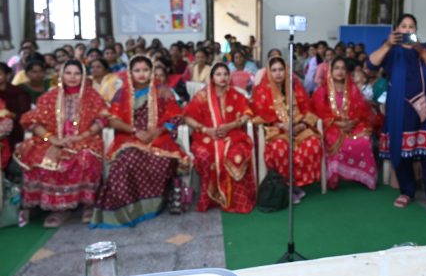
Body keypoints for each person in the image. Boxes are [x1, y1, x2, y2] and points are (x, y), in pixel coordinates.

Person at [367, 13, 426, 214]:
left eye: (411, 26)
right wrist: (387, 44)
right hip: (400, 108)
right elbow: (371, 64)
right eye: (403, 26)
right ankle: (406, 191)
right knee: (401, 150)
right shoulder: (391, 49)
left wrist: (420, 50)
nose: (407, 29)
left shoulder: (424, 48)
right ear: (396, 29)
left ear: (416, 30)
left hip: (425, 109)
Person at [91, 56, 189, 228]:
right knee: (126, 160)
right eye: (137, 70)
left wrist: (158, 130)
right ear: (130, 73)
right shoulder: (122, 93)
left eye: (145, 70)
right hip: (130, 136)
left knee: (161, 159)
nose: (142, 74)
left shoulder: (162, 91)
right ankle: (126, 210)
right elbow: (112, 120)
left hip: (159, 136)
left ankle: (155, 204)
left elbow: (175, 116)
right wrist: (135, 131)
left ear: (151, 72)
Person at [13, 60, 107, 227]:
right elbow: (32, 122)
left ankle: (88, 205)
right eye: (68, 73)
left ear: (83, 76)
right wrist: (52, 139)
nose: (72, 77)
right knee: (41, 158)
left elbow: (103, 119)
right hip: (53, 139)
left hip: (84, 139)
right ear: (61, 75)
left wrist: (82, 136)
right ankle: (59, 209)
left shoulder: (92, 96)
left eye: (77, 73)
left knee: (86, 157)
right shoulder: (50, 96)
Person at [184, 63, 255, 213]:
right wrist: (206, 130)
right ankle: (212, 199)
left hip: (233, 135)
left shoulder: (236, 95)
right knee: (206, 156)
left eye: (225, 74)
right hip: (206, 137)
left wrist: (232, 125)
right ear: (212, 77)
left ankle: (235, 200)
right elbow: (187, 117)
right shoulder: (202, 96)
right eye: (218, 74)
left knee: (236, 155)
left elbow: (248, 113)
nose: (222, 77)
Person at [251, 57, 322, 194]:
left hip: (299, 129)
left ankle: (299, 182)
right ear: (269, 72)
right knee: (280, 148)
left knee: (314, 142)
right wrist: (281, 125)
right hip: (276, 132)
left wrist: (301, 125)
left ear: (286, 71)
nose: (278, 73)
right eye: (274, 70)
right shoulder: (262, 91)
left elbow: (307, 110)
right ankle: (284, 185)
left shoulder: (295, 88)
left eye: (281, 69)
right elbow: (259, 115)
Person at [312, 56, 379, 190]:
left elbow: (360, 109)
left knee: (364, 140)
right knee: (338, 142)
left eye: (343, 68)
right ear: (330, 71)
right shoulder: (322, 91)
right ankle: (334, 177)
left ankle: (364, 177)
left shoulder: (353, 89)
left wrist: (353, 121)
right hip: (331, 127)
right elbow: (318, 114)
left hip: (352, 125)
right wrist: (337, 124)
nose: (340, 71)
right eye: (336, 68)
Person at [0, 63, 31, 152]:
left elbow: (26, 115)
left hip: (15, 129)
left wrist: (10, 114)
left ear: (7, 75)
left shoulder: (19, 92)